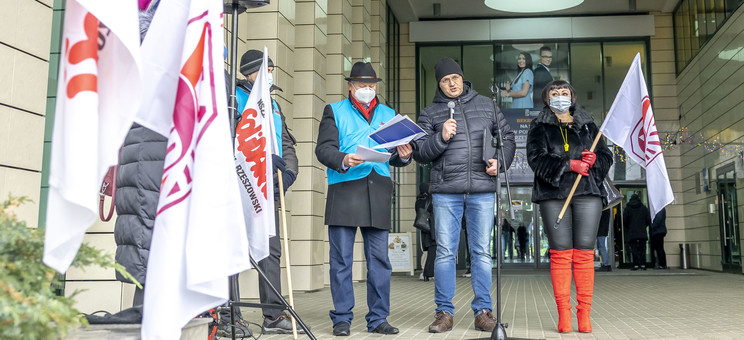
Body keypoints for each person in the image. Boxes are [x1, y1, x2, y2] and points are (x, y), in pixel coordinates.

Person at [413, 57, 516, 333]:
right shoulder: (430, 113)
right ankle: (444, 313)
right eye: (446, 80)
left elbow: (507, 138)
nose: (452, 83)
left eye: (455, 78)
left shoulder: (486, 105)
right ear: (439, 84)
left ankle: (483, 311)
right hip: (446, 191)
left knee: (481, 252)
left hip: (482, 190)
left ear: (462, 78)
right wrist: (441, 137)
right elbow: (420, 152)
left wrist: (499, 160)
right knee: (446, 253)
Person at [315, 61, 412, 337]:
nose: (367, 90)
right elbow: (323, 150)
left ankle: (378, 318)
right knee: (341, 260)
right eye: (361, 85)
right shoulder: (334, 110)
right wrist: (343, 158)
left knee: (380, 260)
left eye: (371, 85)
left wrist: (404, 155)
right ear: (350, 86)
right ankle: (342, 318)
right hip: (345, 190)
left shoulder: (388, 113)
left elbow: (395, 154)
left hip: (378, 189)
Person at [218, 50, 301, 336]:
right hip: (240, 186)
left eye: (271, 69)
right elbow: (234, 143)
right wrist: (264, 160)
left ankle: (273, 316)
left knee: (270, 251)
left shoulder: (274, 104)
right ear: (250, 74)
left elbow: (287, 145)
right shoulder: (236, 99)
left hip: (270, 190)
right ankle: (231, 315)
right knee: (234, 249)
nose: (269, 74)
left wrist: (288, 173)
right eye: (264, 70)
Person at [526, 80, 613, 333]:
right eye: (555, 93)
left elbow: (606, 156)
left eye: (565, 93)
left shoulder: (588, 124)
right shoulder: (539, 126)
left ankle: (584, 314)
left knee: (585, 254)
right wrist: (569, 164)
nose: (560, 96)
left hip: (587, 192)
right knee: (561, 254)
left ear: (573, 97)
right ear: (547, 98)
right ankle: (564, 314)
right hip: (553, 194)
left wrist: (596, 159)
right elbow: (536, 158)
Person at [624, 194, 651, 271]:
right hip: (642, 232)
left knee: (634, 249)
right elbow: (648, 220)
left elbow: (625, 220)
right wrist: (644, 226)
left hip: (632, 232)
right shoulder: (644, 208)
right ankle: (643, 265)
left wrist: (629, 227)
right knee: (643, 249)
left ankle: (636, 265)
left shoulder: (628, 208)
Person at [415, 182, 436, 281]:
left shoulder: (418, 200)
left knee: (425, 249)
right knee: (433, 248)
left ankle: (424, 270)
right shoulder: (431, 200)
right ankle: (429, 272)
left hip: (423, 228)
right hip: (432, 228)